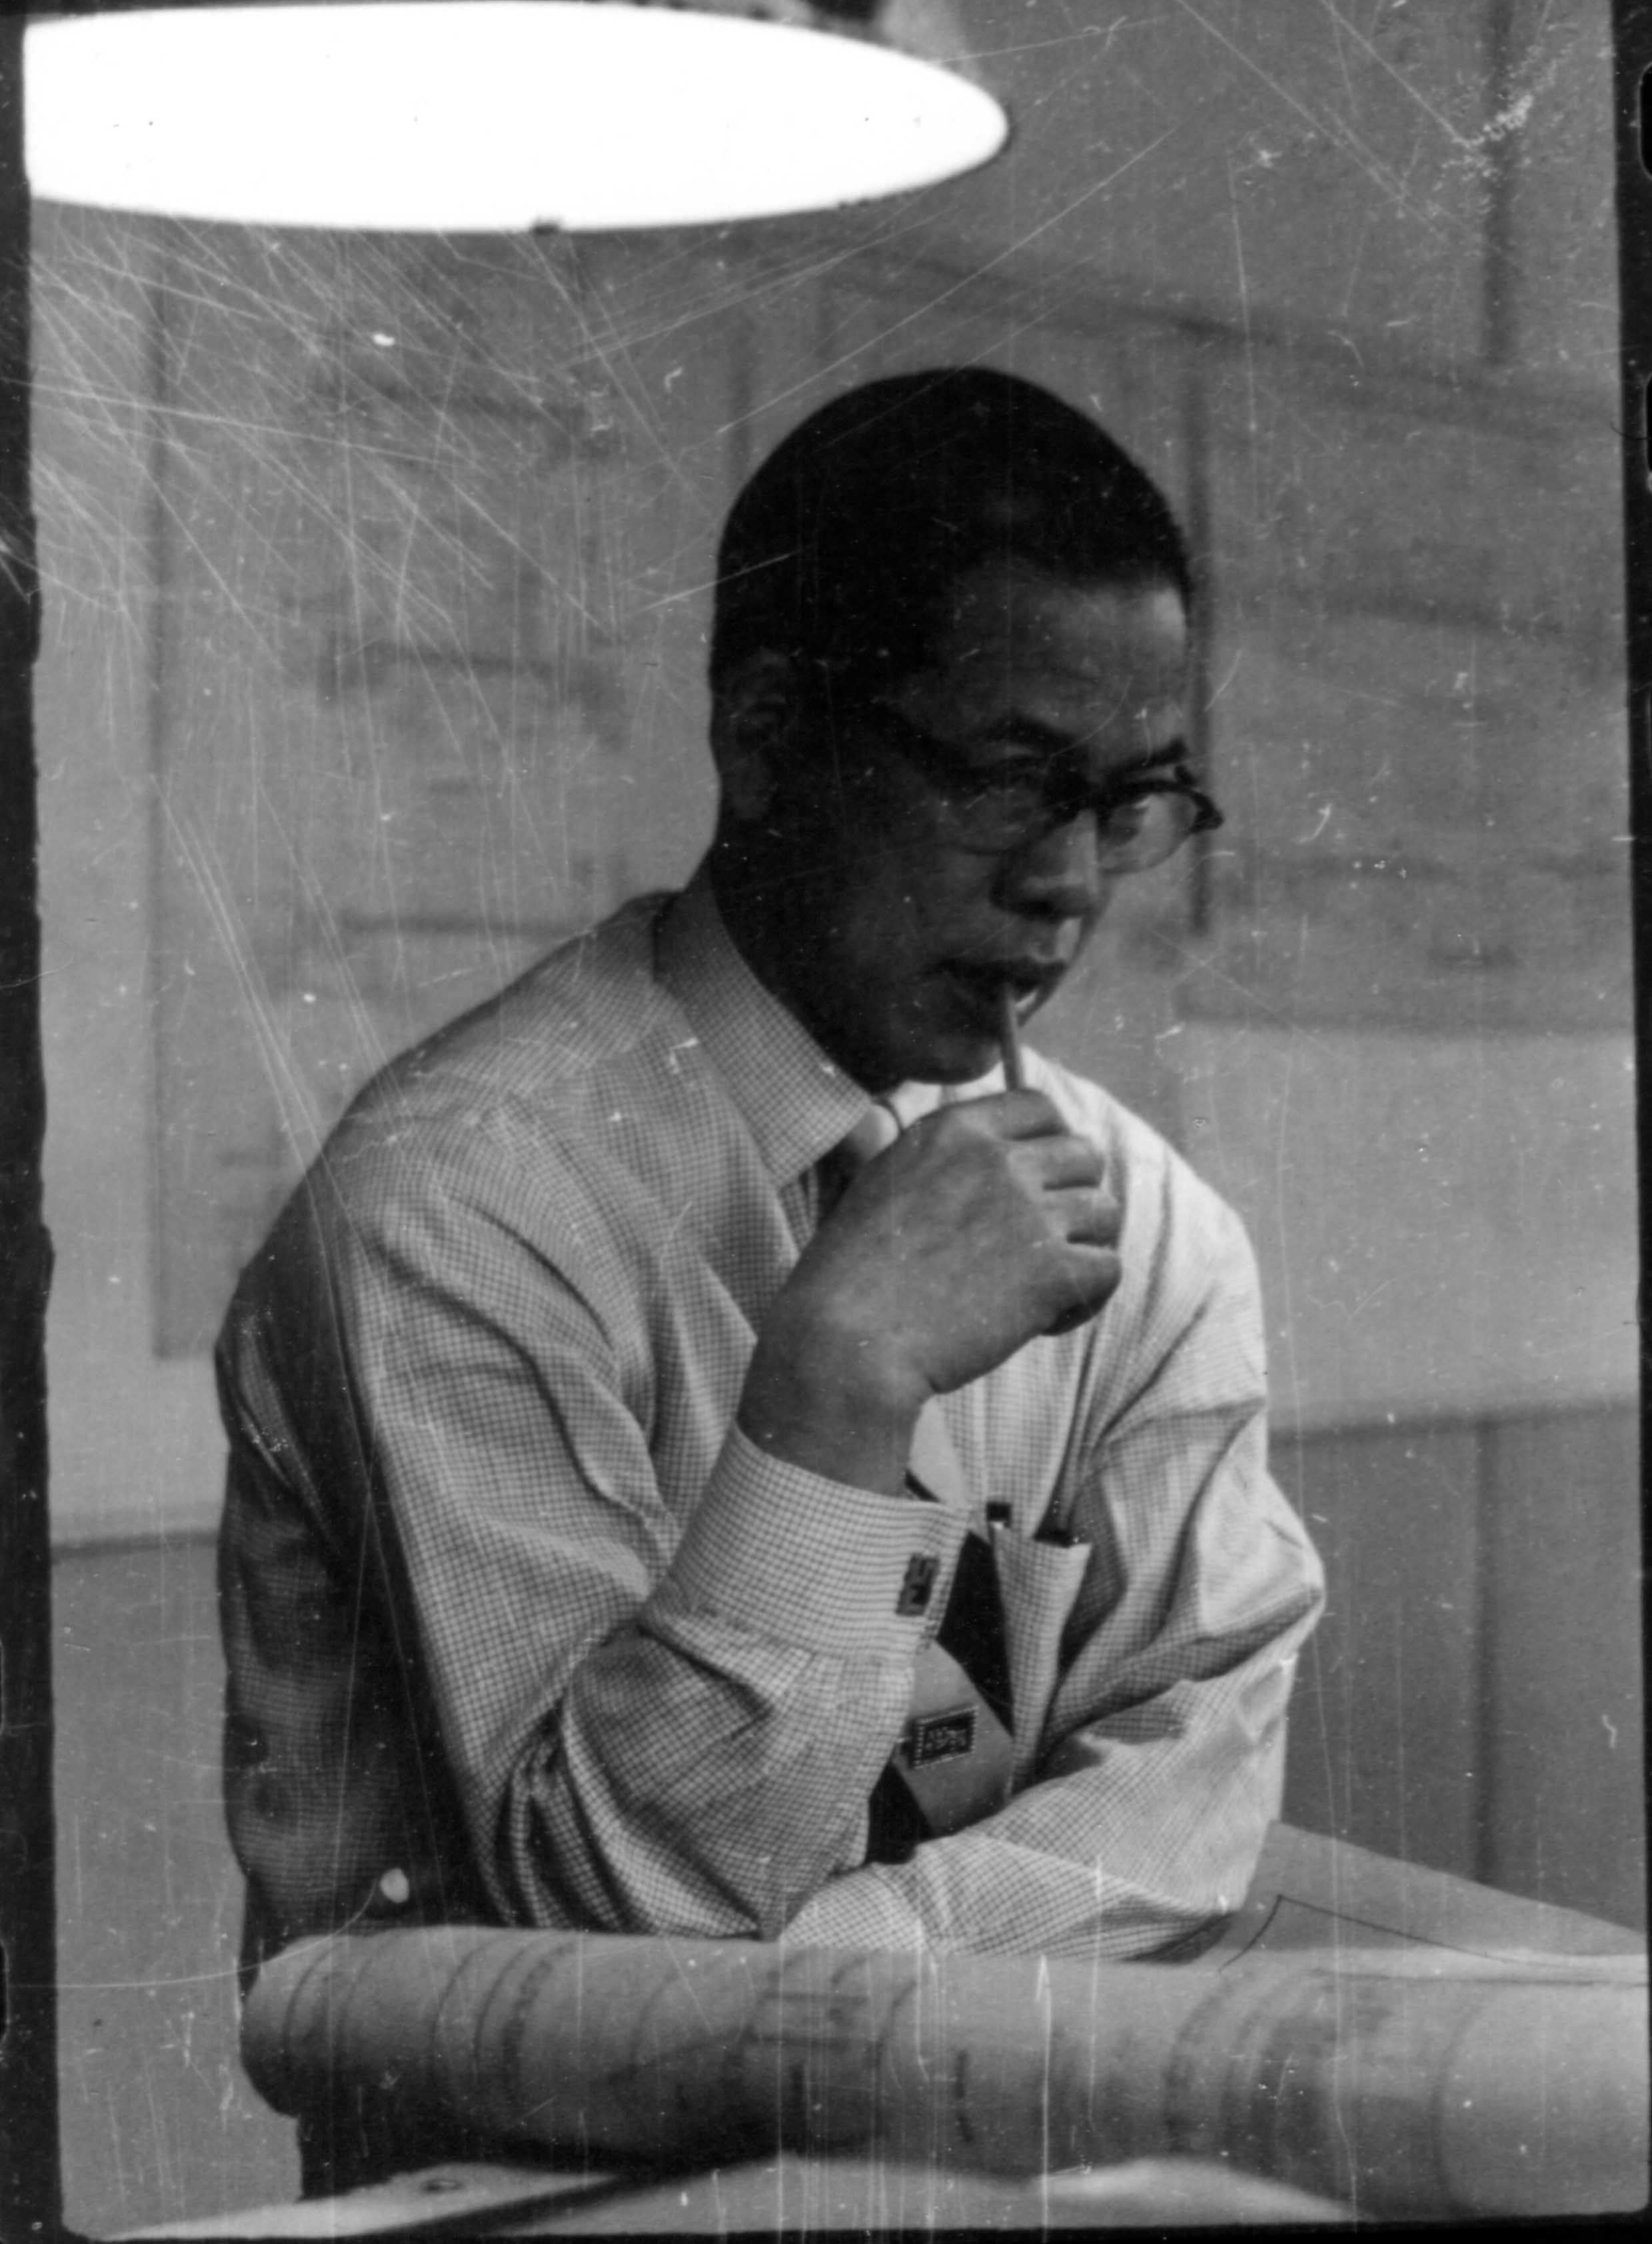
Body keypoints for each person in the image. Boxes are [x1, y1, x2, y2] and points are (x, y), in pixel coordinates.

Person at [217, 369, 1323, 2009]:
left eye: (1128, 799)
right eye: (1009, 779)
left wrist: (829, 1977)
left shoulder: (1146, 1225)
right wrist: (835, 1393)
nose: (1071, 881)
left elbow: (1196, 1770)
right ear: (766, 738)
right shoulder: (446, 1208)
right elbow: (624, 1940)